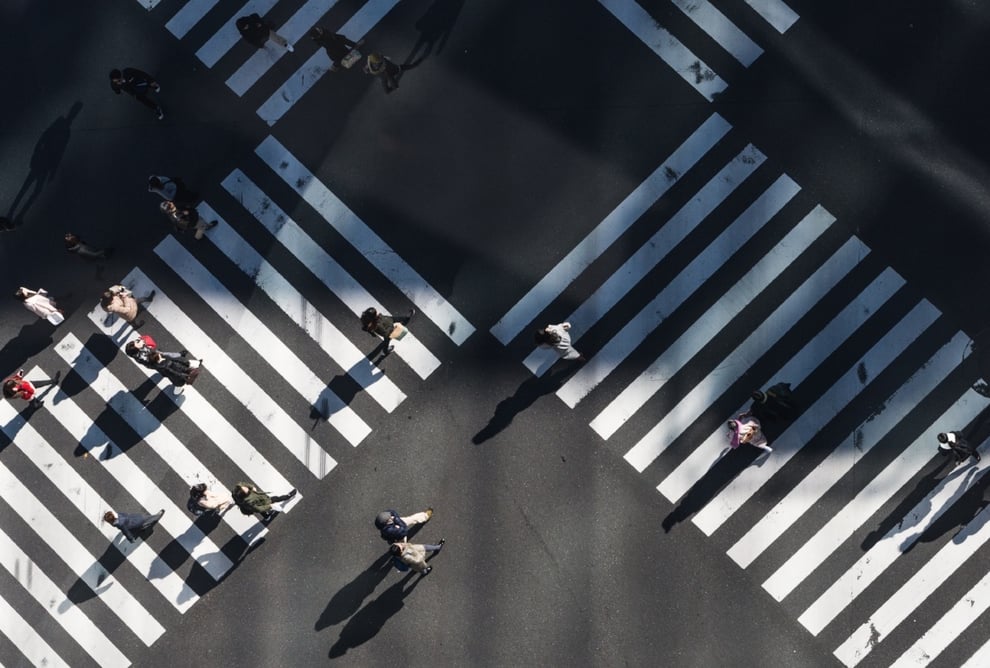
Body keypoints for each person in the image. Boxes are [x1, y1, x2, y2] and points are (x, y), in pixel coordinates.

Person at [125, 335, 202, 385]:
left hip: (157, 357)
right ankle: (191, 367)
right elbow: (150, 359)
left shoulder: (137, 353)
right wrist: (158, 356)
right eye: (137, 342)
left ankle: (188, 362)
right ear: (136, 349)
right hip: (158, 361)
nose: (139, 341)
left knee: (172, 360)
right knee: (173, 367)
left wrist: (143, 343)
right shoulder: (142, 357)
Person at [231, 482, 297, 523]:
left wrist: (252, 487)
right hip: (263, 501)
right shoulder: (249, 502)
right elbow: (258, 509)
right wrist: (270, 506)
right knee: (276, 498)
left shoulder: (238, 488)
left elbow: (243, 484)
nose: (246, 487)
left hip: (259, 500)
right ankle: (289, 496)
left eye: (244, 487)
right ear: (244, 495)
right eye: (246, 490)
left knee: (262, 512)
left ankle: (267, 517)